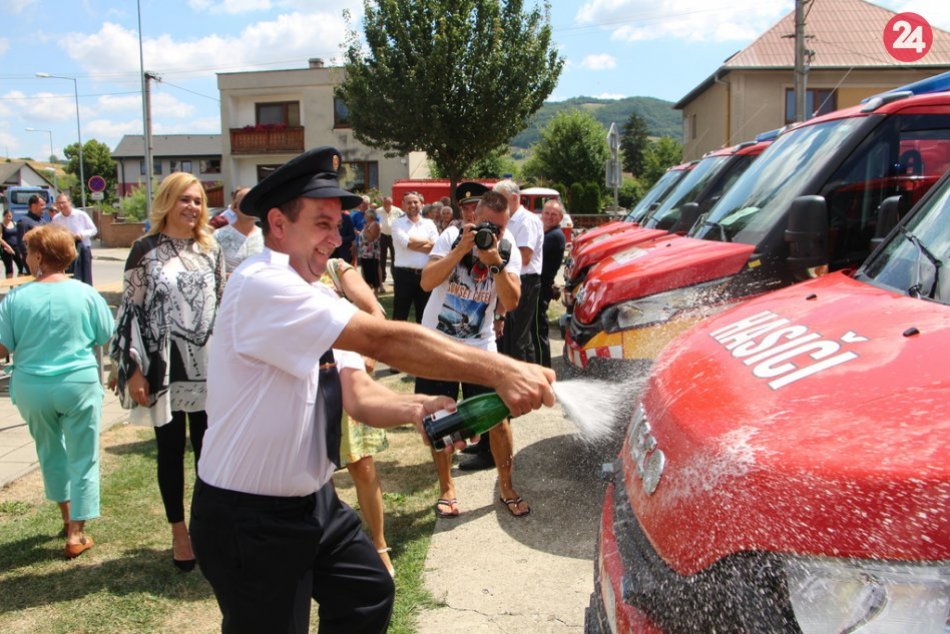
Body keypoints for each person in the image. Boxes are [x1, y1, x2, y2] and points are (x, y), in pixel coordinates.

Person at [189, 146, 555, 633]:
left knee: (367, 591)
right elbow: (384, 339)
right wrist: (502, 371)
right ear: (277, 224)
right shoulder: (262, 283)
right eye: (322, 222)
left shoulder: (316, 293)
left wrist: (416, 407)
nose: (336, 236)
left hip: (312, 500)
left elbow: (356, 391)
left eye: (338, 222)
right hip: (249, 514)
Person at [110, 172, 225, 572]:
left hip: (210, 366)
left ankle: (208, 527)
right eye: (184, 200)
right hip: (164, 368)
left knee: (211, 453)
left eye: (197, 201)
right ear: (167, 202)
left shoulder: (211, 248)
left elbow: (224, 306)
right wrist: (132, 370)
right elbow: (129, 311)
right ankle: (180, 533)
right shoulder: (145, 249)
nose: (192, 207)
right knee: (171, 451)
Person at [0, 224, 114, 558]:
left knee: (50, 451)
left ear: (37, 255)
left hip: (32, 386)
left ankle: (67, 518)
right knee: (83, 454)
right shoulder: (85, 293)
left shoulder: (16, 298)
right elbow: (105, 334)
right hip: (77, 382)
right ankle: (77, 532)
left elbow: (4, 346)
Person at [418, 184, 531, 518]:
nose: (493, 233)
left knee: (498, 417)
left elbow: (511, 302)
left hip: (480, 346)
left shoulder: (506, 251)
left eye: (500, 228)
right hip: (437, 344)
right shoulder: (451, 238)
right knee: (439, 418)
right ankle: (447, 488)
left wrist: (494, 261)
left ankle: (507, 486)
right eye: (488, 226)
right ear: (474, 217)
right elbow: (427, 282)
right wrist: (459, 251)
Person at [322, 257, 393, 575]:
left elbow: (374, 309)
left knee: (362, 466)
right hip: (301, 385)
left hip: (345, 379)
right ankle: (330, 545)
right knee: (316, 474)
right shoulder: (274, 270)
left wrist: (369, 351)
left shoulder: (334, 267)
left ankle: (379, 545)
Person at [494, 180, 543, 363]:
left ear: (514, 198)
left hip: (525, 281)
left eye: (500, 198)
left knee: (518, 337)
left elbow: (524, 257)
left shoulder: (526, 220)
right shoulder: (507, 219)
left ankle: (523, 380)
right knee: (516, 336)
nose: (496, 203)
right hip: (510, 279)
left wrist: (496, 263)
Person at [391, 191, 438, 323]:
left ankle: (422, 343)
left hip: (425, 275)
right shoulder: (397, 223)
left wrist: (412, 243)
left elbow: (436, 246)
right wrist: (427, 243)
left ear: (421, 204)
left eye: (415, 202)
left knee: (424, 315)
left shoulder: (429, 223)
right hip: (403, 275)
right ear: (403, 205)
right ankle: (396, 343)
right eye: (409, 202)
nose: (412, 205)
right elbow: (407, 243)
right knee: (400, 314)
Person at [536, 200, 566, 367]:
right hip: (542, 288)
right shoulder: (546, 234)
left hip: (541, 289)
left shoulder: (555, 237)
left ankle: (544, 368)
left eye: (553, 214)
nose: (549, 217)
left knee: (539, 331)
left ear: (560, 217)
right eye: (546, 213)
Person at [213, 186, 263, 274]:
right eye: (247, 201)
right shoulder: (217, 236)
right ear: (235, 206)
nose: (252, 205)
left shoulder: (267, 236)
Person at [51, 193, 98, 285]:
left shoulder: (81, 215)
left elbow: (93, 230)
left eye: (63, 203)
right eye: (58, 203)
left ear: (69, 202)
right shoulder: (56, 219)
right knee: (70, 276)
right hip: (66, 250)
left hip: (83, 248)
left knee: (85, 276)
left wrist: (80, 235)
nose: (61, 205)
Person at [375, 196, 402, 286]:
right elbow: (374, 221)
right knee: (382, 257)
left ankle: (396, 278)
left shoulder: (397, 211)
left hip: (393, 236)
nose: (386, 205)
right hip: (382, 236)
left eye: (388, 203)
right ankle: (382, 278)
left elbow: (403, 221)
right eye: (385, 203)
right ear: (383, 203)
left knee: (395, 257)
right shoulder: (378, 211)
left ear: (391, 203)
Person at [16, 195, 47, 268]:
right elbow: (22, 243)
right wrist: (32, 259)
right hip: (33, 262)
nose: (44, 207)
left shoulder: (43, 221)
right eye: (42, 205)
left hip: (45, 260)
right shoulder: (24, 221)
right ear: (33, 206)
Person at [358, 207, 383, 294]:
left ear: (371, 216)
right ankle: (368, 290)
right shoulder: (367, 224)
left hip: (372, 253)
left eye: (366, 214)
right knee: (366, 271)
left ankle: (376, 291)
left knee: (373, 271)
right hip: (364, 252)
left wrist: (365, 229)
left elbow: (371, 238)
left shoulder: (375, 224)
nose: (364, 216)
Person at [1, 209, 27, 277]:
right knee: (9, 269)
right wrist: (8, 247)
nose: (8, 218)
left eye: (10, 216)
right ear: (3, 216)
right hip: (6, 249)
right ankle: (11, 286)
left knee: (21, 266)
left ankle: (19, 285)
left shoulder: (15, 223)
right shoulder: (1, 225)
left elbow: (20, 235)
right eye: (6, 216)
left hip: (16, 247)